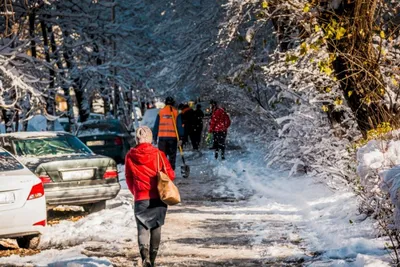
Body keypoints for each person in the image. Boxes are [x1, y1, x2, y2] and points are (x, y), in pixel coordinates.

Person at [125, 126, 175, 267]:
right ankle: (152, 260)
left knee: (142, 228)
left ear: (137, 139)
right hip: (157, 197)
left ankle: (144, 257)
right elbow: (170, 175)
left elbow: (128, 178)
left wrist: (136, 192)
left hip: (141, 197)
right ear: (151, 138)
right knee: (156, 227)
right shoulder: (159, 154)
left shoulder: (130, 155)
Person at [152, 96, 184, 170]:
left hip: (162, 138)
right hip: (173, 138)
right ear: (173, 103)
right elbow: (179, 126)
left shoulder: (161, 112)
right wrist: (181, 137)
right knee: (172, 156)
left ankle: (163, 171)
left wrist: (154, 137)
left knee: (162, 156)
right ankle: (171, 170)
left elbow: (156, 125)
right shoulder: (176, 112)